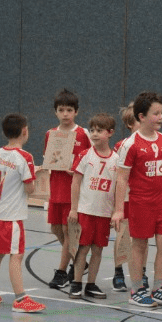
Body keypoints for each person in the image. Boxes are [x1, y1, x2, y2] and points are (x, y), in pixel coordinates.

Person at [112, 91, 162, 308]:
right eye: (155, 113)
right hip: (141, 203)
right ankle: (137, 289)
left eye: (161, 113)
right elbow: (121, 179)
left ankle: (159, 287)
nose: (160, 117)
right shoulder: (130, 144)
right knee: (139, 245)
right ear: (141, 117)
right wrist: (119, 210)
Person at [0, 113, 45, 313]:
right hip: (11, 216)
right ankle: (21, 299)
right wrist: (38, 175)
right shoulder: (25, 157)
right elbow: (30, 189)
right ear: (25, 131)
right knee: (16, 255)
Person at [67, 112, 119, 299]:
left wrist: (115, 211)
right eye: (92, 130)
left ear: (110, 132)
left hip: (104, 213)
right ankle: (76, 282)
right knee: (83, 248)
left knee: (98, 249)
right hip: (86, 211)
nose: (94, 134)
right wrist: (74, 208)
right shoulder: (84, 155)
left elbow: (117, 188)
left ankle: (91, 284)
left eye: (99, 130)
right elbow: (75, 183)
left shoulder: (117, 160)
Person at [45, 89, 91, 290]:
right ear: (55, 112)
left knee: (67, 229)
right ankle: (80, 258)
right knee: (56, 228)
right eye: (61, 110)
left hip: (73, 191)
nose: (65, 114)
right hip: (55, 189)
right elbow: (50, 159)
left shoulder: (83, 134)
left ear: (76, 112)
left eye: (69, 110)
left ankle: (62, 272)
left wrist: (77, 171)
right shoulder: (50, 134)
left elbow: (90, 160)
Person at [112, 103, 136, 293]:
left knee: (139, 238)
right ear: (130, 123)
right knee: (123, 236)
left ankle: (140, 271)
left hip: (141, 197)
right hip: (126, 196)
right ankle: (118, 271)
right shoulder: (122, 146)